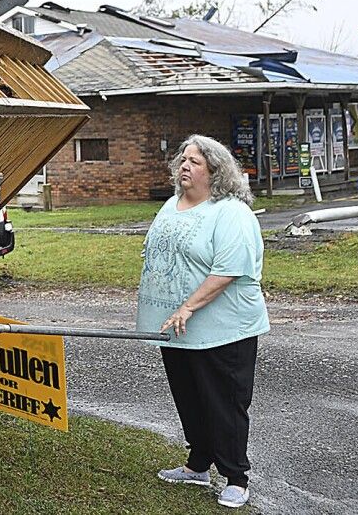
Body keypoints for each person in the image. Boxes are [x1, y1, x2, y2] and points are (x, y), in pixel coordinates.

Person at [137, 134, 269, 509]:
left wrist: (188, 307)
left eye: (194, 161)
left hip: (223, 329)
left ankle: (236, 477)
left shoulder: (231, 212)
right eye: (182, 159)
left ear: (215, 170)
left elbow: (228, 270)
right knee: (189, 398)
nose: (184, 166)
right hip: (176, 330)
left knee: (224, 402)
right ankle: (198, 465)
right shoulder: (171, 205)